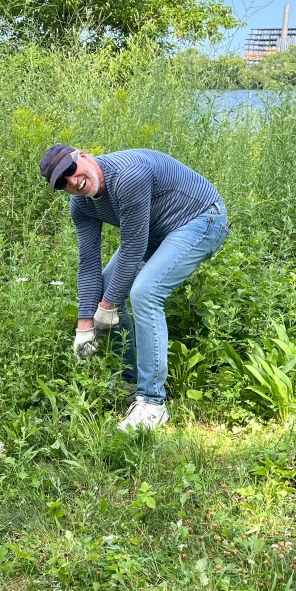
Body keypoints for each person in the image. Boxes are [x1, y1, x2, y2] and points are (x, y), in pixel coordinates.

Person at [39, 144, 229, 432]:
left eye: (71, 170)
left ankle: (152, 403)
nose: (73, 182)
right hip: (155, 230)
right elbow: (89, 263)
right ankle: (131, 382)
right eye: (63, 183)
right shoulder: (82, 205)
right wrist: (84, 325)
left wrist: (108, 306)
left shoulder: (128, 176)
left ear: (84, 157)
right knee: (106, 286)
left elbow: (133, 247)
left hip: (201, 218)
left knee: (145, 292)